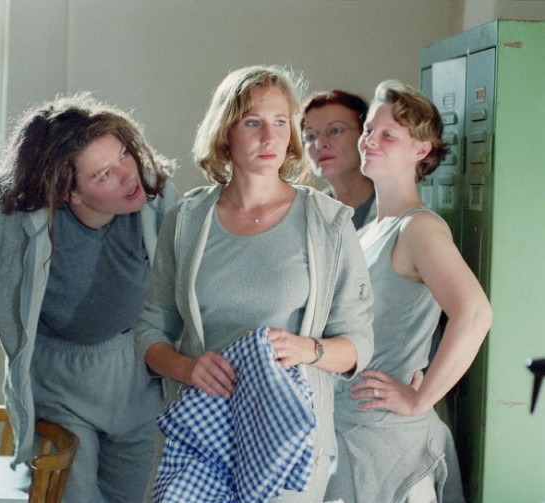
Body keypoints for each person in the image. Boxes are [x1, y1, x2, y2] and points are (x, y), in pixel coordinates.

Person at [0, 93, 177, 503]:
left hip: (137, 384)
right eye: (103, 175)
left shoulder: (155, 199)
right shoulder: (11, 220)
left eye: (124, 155)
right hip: (61, 387)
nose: (128, 176)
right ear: (68, 192)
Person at [135, 65, 374, 502]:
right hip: (200, 441)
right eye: (252, 122)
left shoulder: (328, 223)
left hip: (288, 447)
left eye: (280, 122)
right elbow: (151, 330)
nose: (269, 137)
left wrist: (308, 349)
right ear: (225, 132)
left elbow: (358, 344)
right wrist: (188, 368)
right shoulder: (187, 220)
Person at [325, 80, 493, 503]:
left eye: (388, 135)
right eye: (369, 130)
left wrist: (420, 399)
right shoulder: (367, 230)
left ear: (421, 150)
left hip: (390, 444)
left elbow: (475, 313)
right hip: (351, 434)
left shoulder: (419, 228)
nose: (370, 141)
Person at [300, 90, 376, 230]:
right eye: (310, 137)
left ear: (365, 137)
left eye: (335, 130)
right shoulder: (303, 217)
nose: (320, 144)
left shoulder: (398, 211)